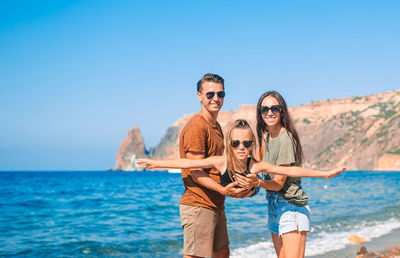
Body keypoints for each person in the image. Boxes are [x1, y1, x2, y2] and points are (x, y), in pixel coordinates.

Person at [137, 119, 345, 257]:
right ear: (229, 144)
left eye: (246, 143)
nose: (241, 149)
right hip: (226, 194)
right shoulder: (221, 162)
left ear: (253, 145)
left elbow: (293, 171)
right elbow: (187, 164)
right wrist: (155, 164)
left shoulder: (255, 165)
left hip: (253, 190)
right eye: (235, 143)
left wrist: (324, 173)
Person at [159, 73, 248, 258]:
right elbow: (195, 172)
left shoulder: (215, 126)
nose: (216, 98)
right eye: (210, 94)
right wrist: (223, 190)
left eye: (220, 94)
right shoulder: (196, 127)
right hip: (199, 205)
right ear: (199, 95)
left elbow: (217, 167)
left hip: (216, 204)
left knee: (223, 254)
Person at [252, 91, 314, 258]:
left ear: (282, 111)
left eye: (274, 108)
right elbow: (254, 164)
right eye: (265, 109)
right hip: (273, 205)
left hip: (290, 206)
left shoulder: (285, 138)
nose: (269, 112)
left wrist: (256, 183)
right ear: (260, 112)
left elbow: (279, 183)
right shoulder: (267, 139)